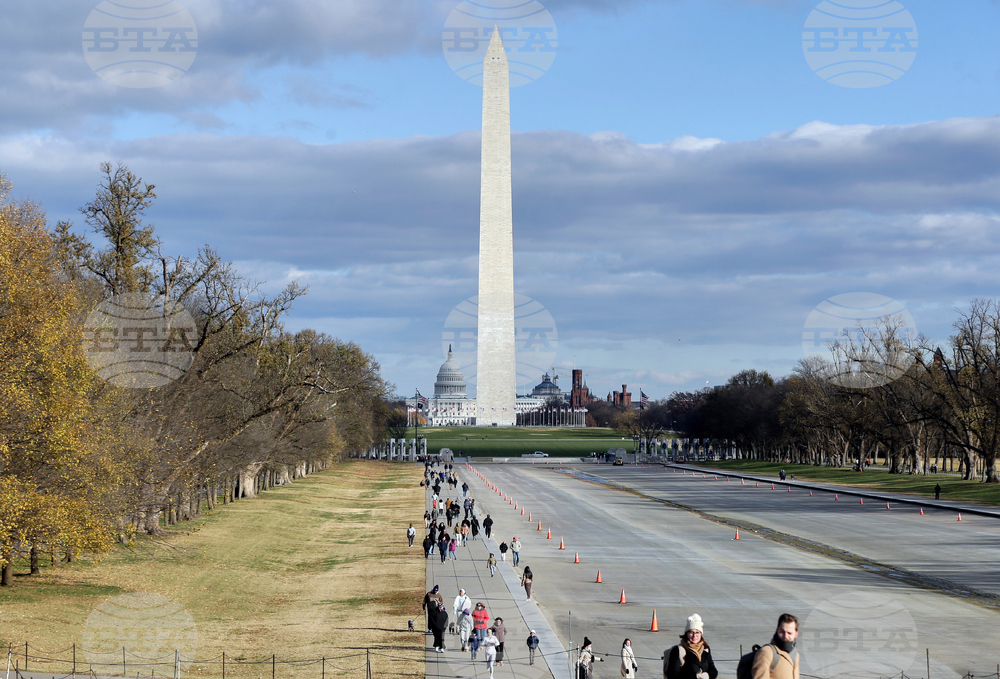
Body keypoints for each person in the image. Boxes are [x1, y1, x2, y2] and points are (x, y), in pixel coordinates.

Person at [665, 614, 717, 679]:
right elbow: (672, 675)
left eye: (697, 632)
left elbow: (713, 670)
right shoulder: (678, 650)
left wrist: (708, 675)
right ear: (686, 634)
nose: (694, 636)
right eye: (691, 632)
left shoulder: (705, 649)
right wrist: (695, 677)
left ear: (701, 634)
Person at [751, 614, 800, 679]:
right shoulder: (766, 652)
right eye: (782, 632)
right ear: (777, 630)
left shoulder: (796, 655)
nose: (785, 636)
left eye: (789, 633)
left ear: (796, 634)